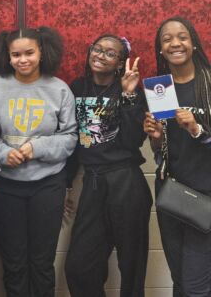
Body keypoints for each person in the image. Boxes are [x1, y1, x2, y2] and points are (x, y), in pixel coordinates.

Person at [0, 26, 77, 297]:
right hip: (5, 184)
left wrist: (35, 148)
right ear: (7, 56)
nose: (22, 60)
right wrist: (3, 153)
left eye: (29, 53)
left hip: (48, 184)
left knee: (42, 263)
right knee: (13, 263)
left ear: (42, 52)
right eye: (16, 55)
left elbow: (70, 137)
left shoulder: (59, 89)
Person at [65, 34, 152, 297]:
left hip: (125, 181)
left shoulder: (131, 91)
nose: (101, 55)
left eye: (110, 53)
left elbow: (133, 141)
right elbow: (71, 140)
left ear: (120, 63)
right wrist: (66, 184)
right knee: (79, 267)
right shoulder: (77, 88)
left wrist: (128, 95)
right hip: (92, 183)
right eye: (97, 49)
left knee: (132, 265)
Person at [144, 17, 211, 297]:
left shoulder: (208, 83)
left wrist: (197, 130)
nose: (175, 43)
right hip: (172, 194)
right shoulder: (159, 89)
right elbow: (160, 152)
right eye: (167, 39)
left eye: (182, 37)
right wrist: (156, 136)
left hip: (206, 195)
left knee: (195, 286)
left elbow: (198, 136)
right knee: (180, 280)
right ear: (161, 49)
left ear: (193, 43)